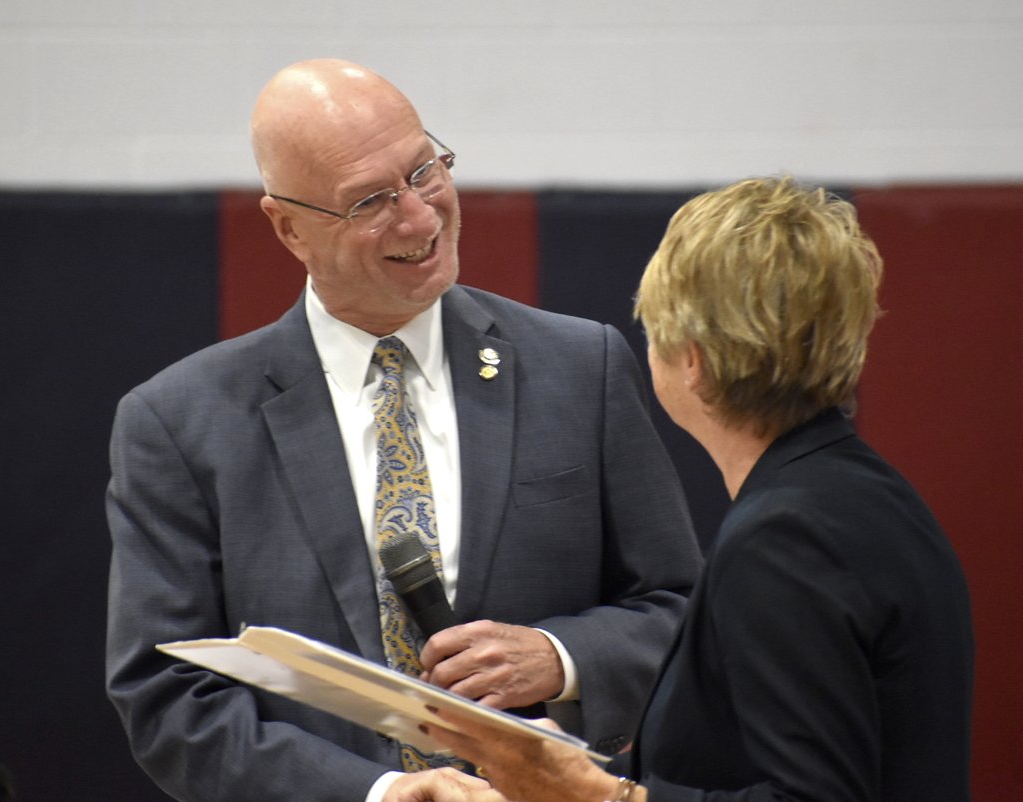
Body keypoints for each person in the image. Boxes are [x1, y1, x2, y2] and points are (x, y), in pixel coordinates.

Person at [104, 59, 701, 802]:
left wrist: (561, 655)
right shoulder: (180, 422)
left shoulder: (581, 367)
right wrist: (380, 793)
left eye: (424, 171)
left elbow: (683, 610)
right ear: (288, 227)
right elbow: (166, 695)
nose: (420, 218)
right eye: (370, 202)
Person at [425, 176, 975, 802]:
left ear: (693, 360)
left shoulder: (786, 538)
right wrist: (570, 773)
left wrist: (599, 797)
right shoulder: (870, 498)